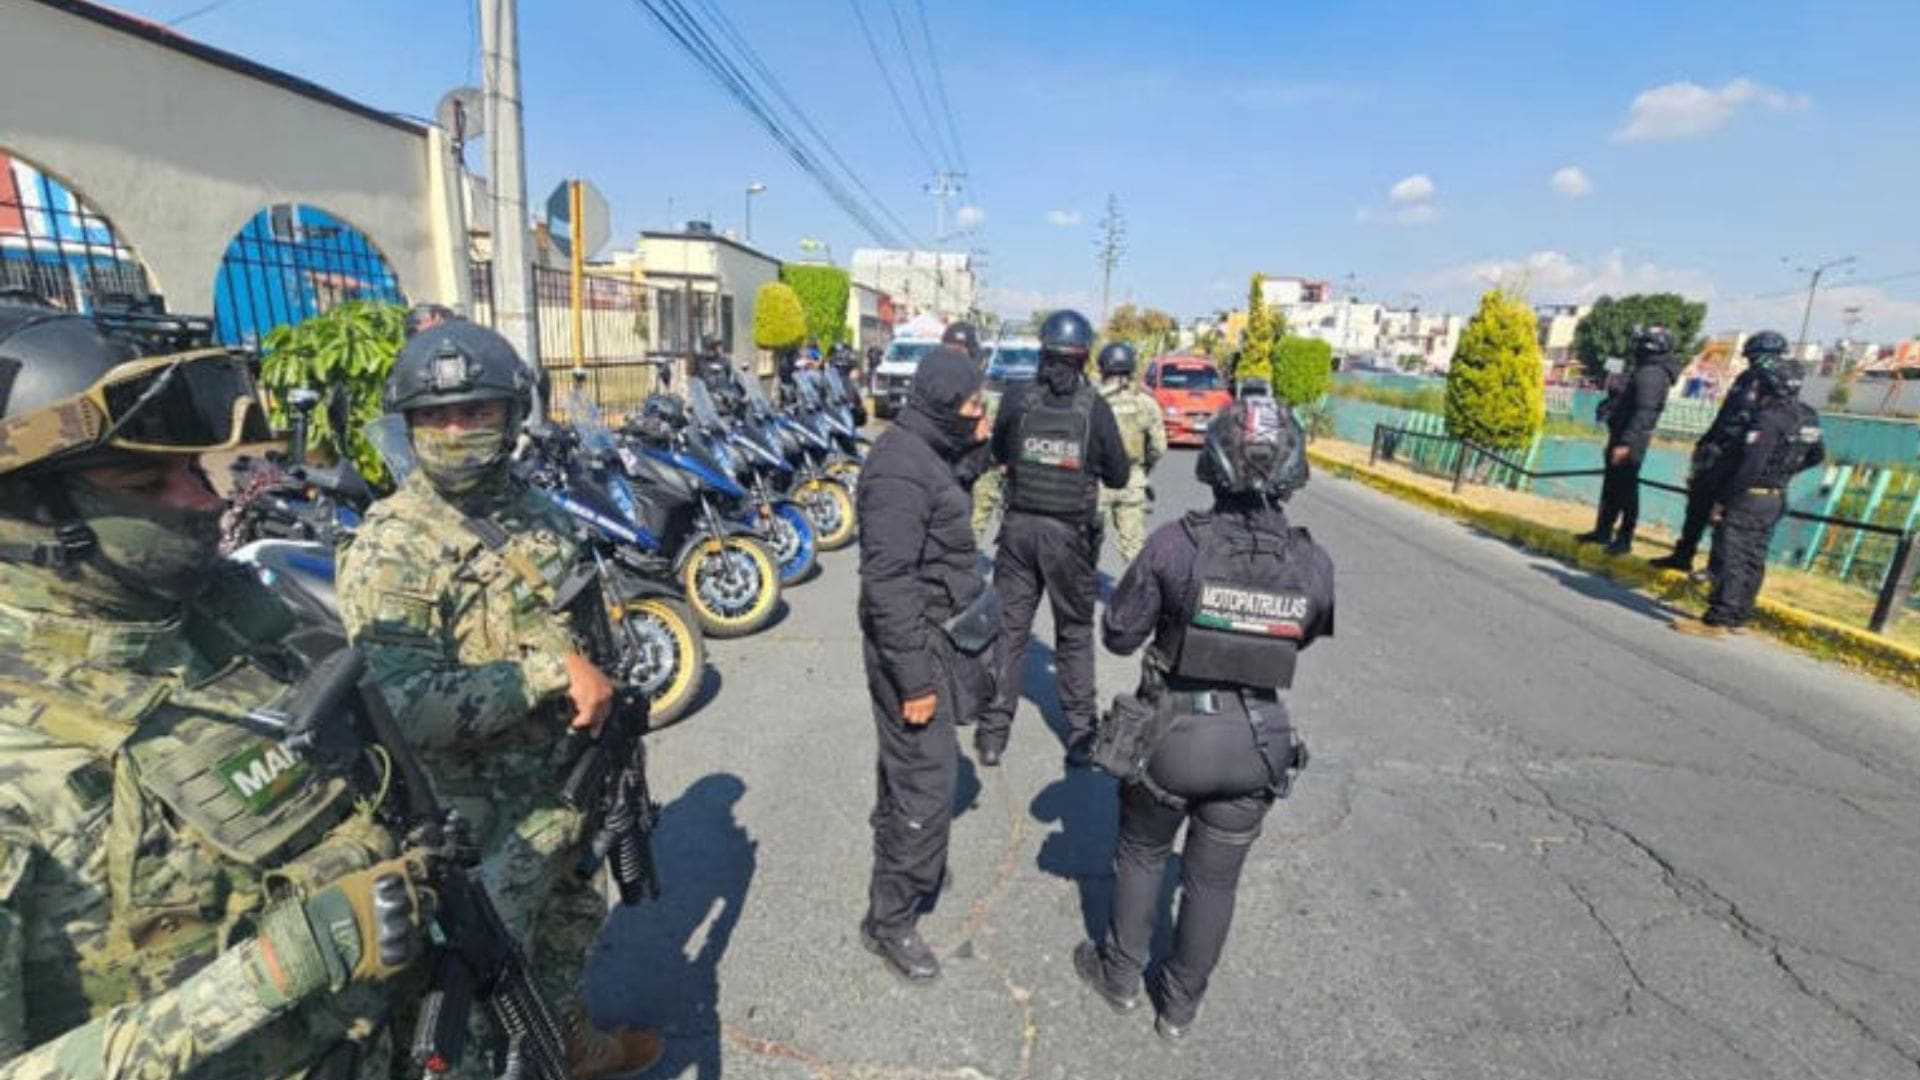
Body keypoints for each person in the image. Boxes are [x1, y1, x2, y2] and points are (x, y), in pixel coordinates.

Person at [0, 300, 428, 1077]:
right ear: (26, 515)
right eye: (146, 480)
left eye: (196, 469)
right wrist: (273, 972)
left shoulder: (215, 619)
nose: (206, 499)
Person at [335, 320, 664, 1077]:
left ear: (513, 416)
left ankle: (568, 1043)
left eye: (476, 412)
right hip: (481, 828)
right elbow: (401, 709)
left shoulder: (539, 511)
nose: (456, 431)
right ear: (409, 424)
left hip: (564, 788)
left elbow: (578, 624)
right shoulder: (394, 545)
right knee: (481, 1010)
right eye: (436, 416)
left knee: (571, 926)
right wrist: (551, 672)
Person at [1074, 396, 1331, 1041]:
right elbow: (1301, 634)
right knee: (1215, 881)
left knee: (1142, 852)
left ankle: (1120, 976)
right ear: (1293, 471)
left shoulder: (1174, 545)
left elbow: (1119, 635)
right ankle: (1179, 1010)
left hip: (1172, 735)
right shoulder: (1311, 562)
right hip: (1259, 741)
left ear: (1214, 465)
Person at [854, 344, 995, 982]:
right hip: (913, 648)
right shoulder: (899, 471)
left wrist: (980, 444)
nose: (981, 417)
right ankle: (890, 921)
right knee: (928, 781)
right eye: (972, 407)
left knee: (909, 770)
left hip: (933, 637)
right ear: (942, 406)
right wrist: (914, 679)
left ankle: (907, 864)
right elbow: (888, 584)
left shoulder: (929, 450)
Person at [975, 310, 1130, 769]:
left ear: (1043, 351)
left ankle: (992, 734)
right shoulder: (1094, 408)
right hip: (1068, 539)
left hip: (1019, 533)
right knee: (1074, 633)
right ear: (1084, 357)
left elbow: (998, 452)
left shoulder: (1017, 398)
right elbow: (1119, 475)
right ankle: (1081, 733)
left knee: (1009, 631)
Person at [1675, 361, 1824, 639]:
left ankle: (1717, 620)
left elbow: (1750, 466)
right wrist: (1781, 475)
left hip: (1748, 498)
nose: (1755, 390)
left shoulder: (1768, 418)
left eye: (1760, 385)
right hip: (1775, 498)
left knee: (1731, 556)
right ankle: (1739, 616)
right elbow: (1816, 456)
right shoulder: (1808, 416)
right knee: (1753, 558)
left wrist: (1723, 500)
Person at [1649, 330, 1786, 574]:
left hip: (1739, 456)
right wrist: (1706, 443)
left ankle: (1715, 569)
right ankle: (1684, 555)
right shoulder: (1747, 378)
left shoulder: (1773, 385)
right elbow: (1726, 416)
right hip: (1721, 451)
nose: (1751, 362)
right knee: (1698, 505)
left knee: (1724, 515)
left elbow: (1745, 423)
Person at [1577, 325, 1683, 555]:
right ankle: (1603, 531)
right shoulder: (1647, 370)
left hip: (1631, 440)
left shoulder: (1652, 375)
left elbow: (1645, 413)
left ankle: (1624, 539)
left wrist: (1625, 443)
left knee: (1625, 490)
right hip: (1623, 434)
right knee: (1612, 487)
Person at [1094, 341, 1167, 565]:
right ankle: (1139, 587)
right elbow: (1158, 447)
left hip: (1097, 482)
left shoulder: (1093, 400)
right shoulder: (1145, 403)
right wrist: (1143, 469)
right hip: (1132, 479)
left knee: (1087, 544)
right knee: (1134, 548)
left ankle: (1083, 584)